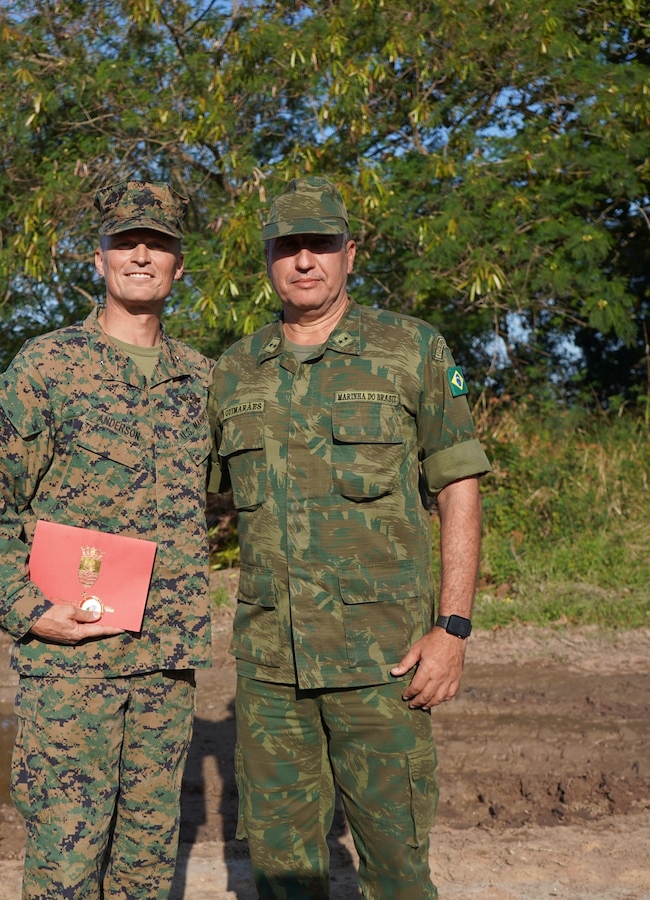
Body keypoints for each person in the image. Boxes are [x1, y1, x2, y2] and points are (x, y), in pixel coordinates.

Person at [208, 176, 491, 899]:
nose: (304, 261)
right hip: (271, 672)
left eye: (320, 245)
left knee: (397, 871)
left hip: (383, 663)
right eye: (287, 247)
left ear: (349, 254)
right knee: (279, 876)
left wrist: (451, 628)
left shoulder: (410, 349)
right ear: (266, 258)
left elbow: (457, 486)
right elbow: (187, 502)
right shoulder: (233, 372)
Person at [0, 180, 213, 900]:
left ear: (177, 266)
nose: (140, 254)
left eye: (158, 243)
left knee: (144, 872)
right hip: (71, 672)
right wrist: (27, 609)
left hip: (165, 669)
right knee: (65, 871)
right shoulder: (46, 367)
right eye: (124, 242)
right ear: (95, 260)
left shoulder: (202, 381)